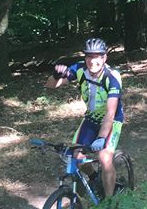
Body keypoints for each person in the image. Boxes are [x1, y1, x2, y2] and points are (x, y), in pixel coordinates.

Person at [46, 37, 124, 197]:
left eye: (97, 56)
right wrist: (56, 76)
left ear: (104, 58)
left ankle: (109, 202)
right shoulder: (80, 69)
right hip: (91, 119)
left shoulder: (112, 77)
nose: (92, 61)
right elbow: (50, 86)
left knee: (104, 157)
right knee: (77, 155)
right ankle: (95, 178)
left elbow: (110, 112)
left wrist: (101, 138)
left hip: (112, 121)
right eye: (89, 56)